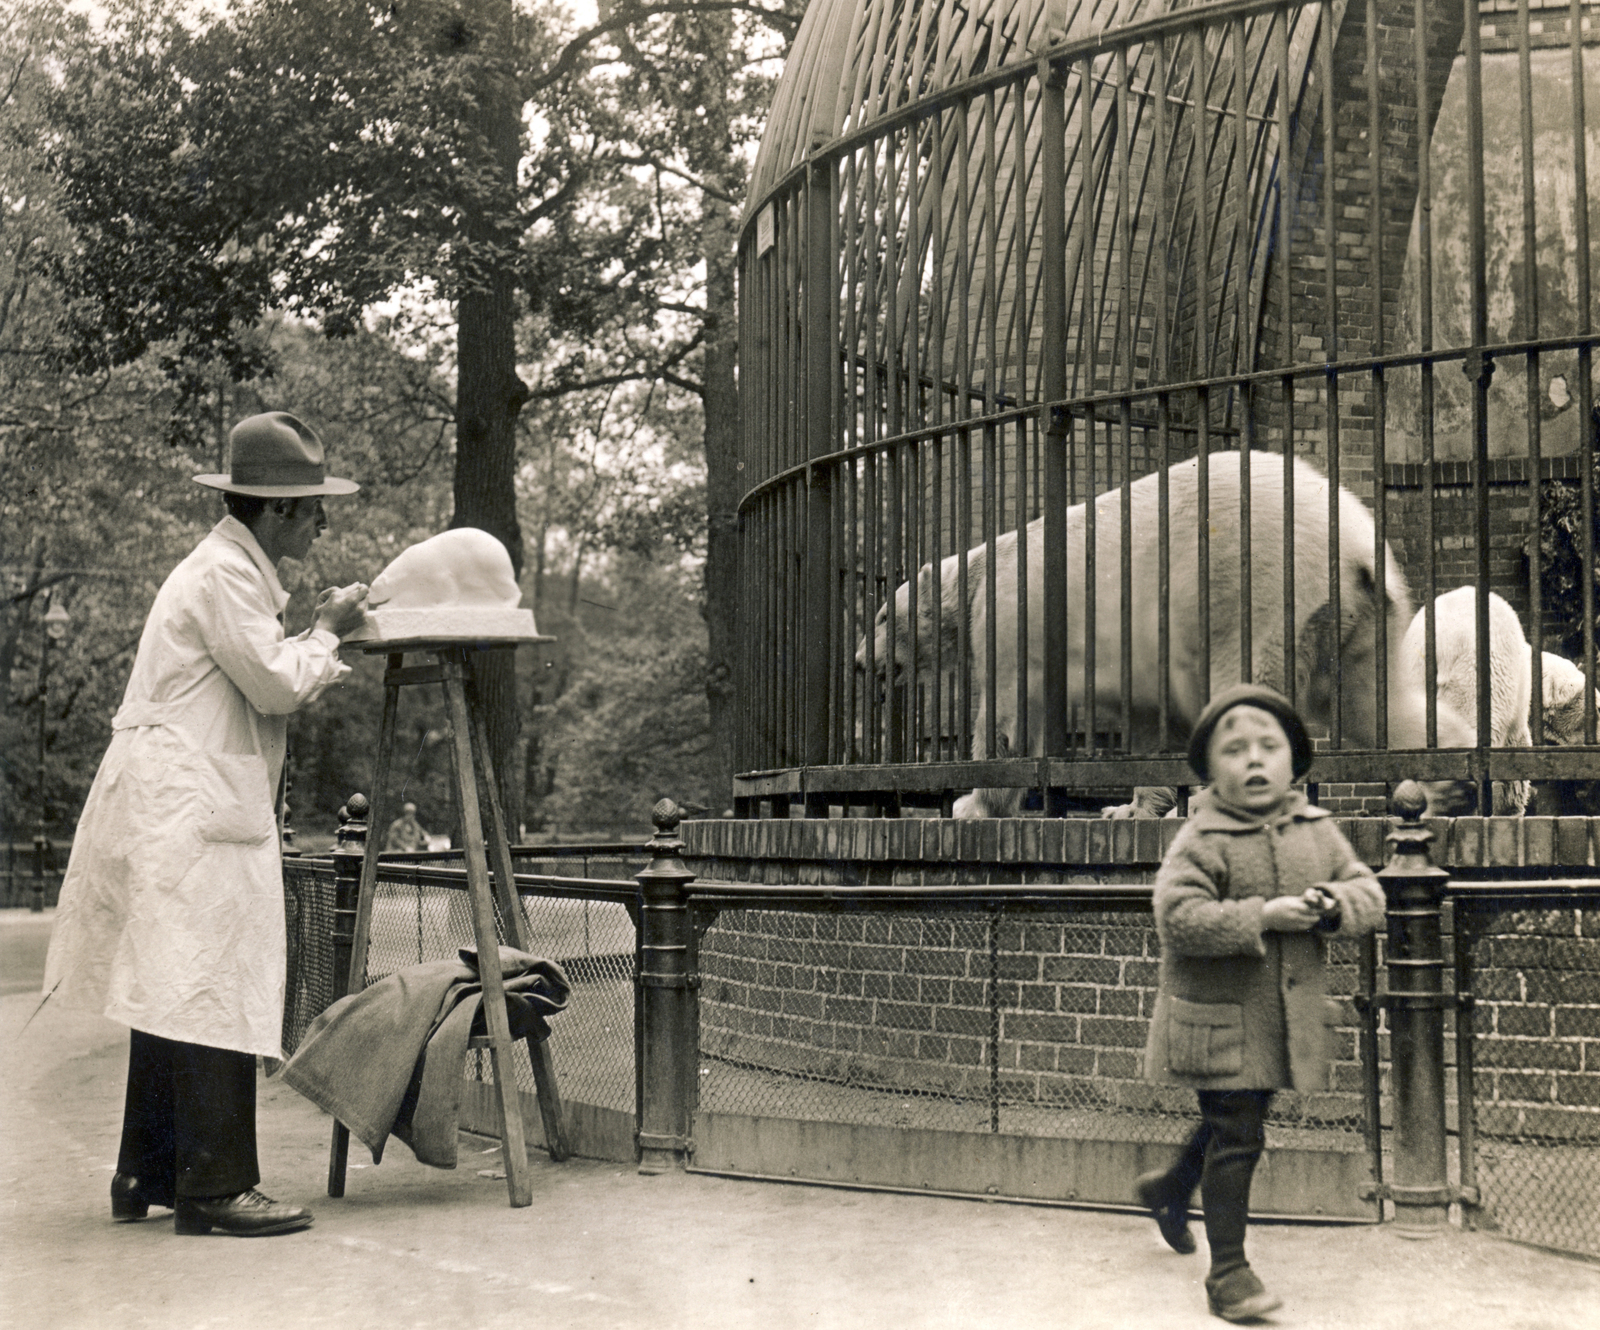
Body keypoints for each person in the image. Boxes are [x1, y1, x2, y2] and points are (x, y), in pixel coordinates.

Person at [42, 411, 369, 1238]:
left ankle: (148, 1170)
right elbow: (273, 686)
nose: (321, 522)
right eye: (311, 508)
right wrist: (330, 633)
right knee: (213, 983)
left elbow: (250, 667)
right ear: (273, 510)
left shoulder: (229, 572)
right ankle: (215, 1187)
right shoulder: (225, 573)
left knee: (173, 983)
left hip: (175, 800)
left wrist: (307, 633)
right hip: (186, 807)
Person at [1133, 683, 1385, 1322]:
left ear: (1294, 762)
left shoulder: (1317, 830)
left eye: (1269, 747)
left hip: (1278, 1022)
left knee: (1232, 1123)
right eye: (1235, 749)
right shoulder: (1202, 837)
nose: (1253, 760)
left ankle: (1169, 1188)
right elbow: (1178, 917)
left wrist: (1333, 905)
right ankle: (1229, 1274)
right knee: (1240, 1135)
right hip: (1218, 1019)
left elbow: (1367, 892)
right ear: (1210, 769)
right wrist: (1263, 916)